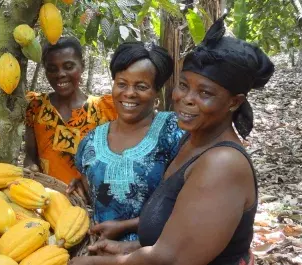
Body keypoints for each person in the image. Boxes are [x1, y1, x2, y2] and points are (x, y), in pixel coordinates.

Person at [69, 16, 274, 265]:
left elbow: (171, 258)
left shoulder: (222, 164)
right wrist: (127, 245)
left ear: (234, 102)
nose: (186, 99)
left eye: (205, 93)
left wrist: (89, 263)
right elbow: (181, 232)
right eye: (184, 86)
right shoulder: (193, 143)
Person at [72, 42, 183, 242]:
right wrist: (79, 187)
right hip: (101, 253)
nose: (129, 93)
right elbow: (98, 196)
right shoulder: (91, 142)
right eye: (122, 84)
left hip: (158, 251)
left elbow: (183, 201)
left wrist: (125, 226)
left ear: (156, 91)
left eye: (141, 86)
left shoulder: (173, 131)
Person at [24, 37, 117, 185]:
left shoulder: (104, 110)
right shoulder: (36, 107)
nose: (60, 74)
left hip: (90, 203)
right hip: (48, 200)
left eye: (68, 66)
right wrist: (30, 169)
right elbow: (30, 156)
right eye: (52, 69)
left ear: (82, 65)